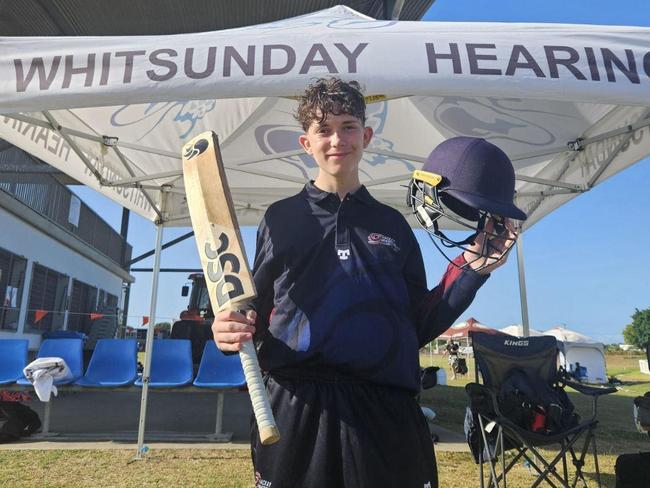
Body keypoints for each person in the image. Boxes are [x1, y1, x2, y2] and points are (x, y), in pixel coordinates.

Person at [212, 77, 524, 488]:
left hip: (384, 406)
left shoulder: (392, 224)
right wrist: (230, 327)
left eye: (347, 126)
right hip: (295, 401)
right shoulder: (279, 218)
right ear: (306, 143)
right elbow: (256, 304)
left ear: (367, 135)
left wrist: (473, 268)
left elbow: (418, 322)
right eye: (323, 130)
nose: (336, 139)